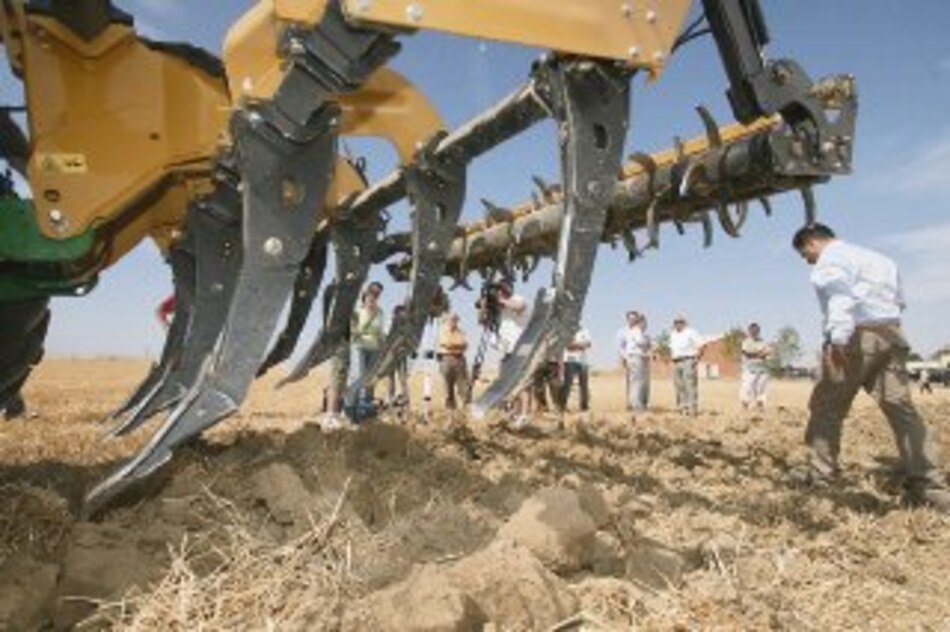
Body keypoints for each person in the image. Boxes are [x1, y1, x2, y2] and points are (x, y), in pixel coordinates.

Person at [792, 223, 950, 511]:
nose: (808, 261)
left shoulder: (831, 260)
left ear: (812, 242)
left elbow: (840, 297)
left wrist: (838, 340)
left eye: (806, 255)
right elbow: (899, 302)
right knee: (902, 410)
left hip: (854, 339)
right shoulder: (881, 260)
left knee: (826, 407)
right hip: (892, 335)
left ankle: (822, 475)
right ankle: (929, 486)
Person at [350, 281, 385, 405]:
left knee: (370, 378)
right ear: (367, 293)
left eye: (378, 294)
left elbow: (380, 332)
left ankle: (366, 405)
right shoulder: (357, 311)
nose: (375, 296)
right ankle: (351, 404)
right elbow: (353, 331)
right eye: (373, 293)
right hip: (359, 347)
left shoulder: (380, 312)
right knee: (359, 376)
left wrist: (383, 346)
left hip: (374, 348)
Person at [669, 315, 704, 416]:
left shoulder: (691, 332)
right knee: (679, 386)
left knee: (690, 385)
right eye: (675, 322)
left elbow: (702, 345)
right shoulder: (673, 334)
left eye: (679, 322)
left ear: (684, 322)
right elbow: (672, 348)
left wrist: (696, 359)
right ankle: (682, 408)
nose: (677, 324)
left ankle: (692, 408)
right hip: (676, 362)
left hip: (688, 360)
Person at [618, 311, 651, 417]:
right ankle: (636, 406)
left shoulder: (633, 331)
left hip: (634, 358)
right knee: (637, 383)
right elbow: (640, 343)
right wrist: (649, 343)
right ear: (640, 322)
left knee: (634, 383)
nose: (645, 324)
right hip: (636, 358)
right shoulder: (637, 331)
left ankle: (634, 404)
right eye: (644, 322)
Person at [438, 312, 470, 410]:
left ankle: (465, 408)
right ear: (447, 320)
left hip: (460, 359)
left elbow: (465, 345)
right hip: (447, 360)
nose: (454, 321)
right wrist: (457, 345)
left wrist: (454, 345)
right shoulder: (443, 331)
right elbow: (446, 344)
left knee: (463, 386)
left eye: (455, 319)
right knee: (448, 387)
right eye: (452, 319)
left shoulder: (461, 332)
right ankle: (450, 410)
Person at [740, 322, 772, 411]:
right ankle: (745, 405)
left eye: (757, 330)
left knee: (761, 389)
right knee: (747, 387)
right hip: (749, 370)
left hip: (763, 369)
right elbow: (748, 354)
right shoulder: (746, 342)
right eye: (752, 330)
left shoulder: (763, 342)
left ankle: (760, 406)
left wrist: (762, 354)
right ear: (749, 331)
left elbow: (768, 353)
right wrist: (761, 353)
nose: (755, 332)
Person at [562, 326, 592, 412]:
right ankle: (563, 405)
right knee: (568, 384)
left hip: (583, 360)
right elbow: (567, 345)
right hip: (569, 360)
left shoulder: (585, 330)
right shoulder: (566, 329)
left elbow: (589, 344)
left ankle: (584, 406)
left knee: (584, 385)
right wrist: (581, 344)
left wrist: (575, 344)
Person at [386, 304, 410, 408]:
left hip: (402, 355)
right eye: (401, 313)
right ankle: (390, 401)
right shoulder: (389, 324)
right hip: (390, 355)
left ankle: (406, 403)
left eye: (404, 313)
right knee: (390, 379)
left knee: (403, 379)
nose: (403, 315)